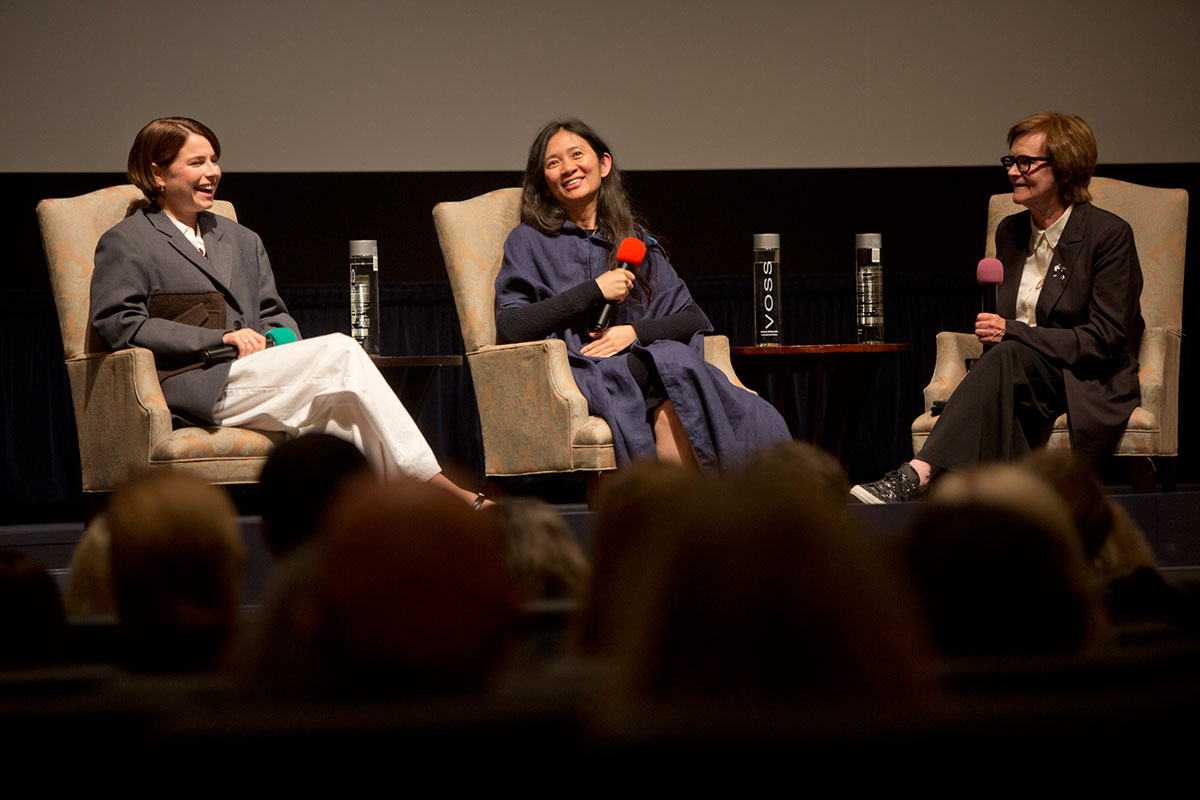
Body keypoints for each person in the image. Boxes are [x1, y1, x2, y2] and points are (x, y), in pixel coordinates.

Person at [90, 117, 486, 506]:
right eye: (197, 163)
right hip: (194, 381)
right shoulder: (129, 241)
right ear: (157, 173)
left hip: (257, 371)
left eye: (214, 160)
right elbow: (119, 323)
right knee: (342, 351)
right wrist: (220, 337)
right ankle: (436, 489)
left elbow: (275, 314)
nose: (212, 172)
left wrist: (276, 338)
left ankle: (368, 530)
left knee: (341, 411)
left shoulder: (242, 240)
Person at [852, 112, 1143, 503]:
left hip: (1083, 376)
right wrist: (1007, 337)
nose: (1013, 172)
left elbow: (1106, 339)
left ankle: (919, 473)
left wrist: (1014, 332)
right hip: (1020, 375)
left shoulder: (1108, 235)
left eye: (1026, 162)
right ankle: (1018, 515)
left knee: (1008, 356)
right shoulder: (1011, 231)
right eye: (1010, 161)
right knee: (1006, 373)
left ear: (1067, 170)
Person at [495, 119, 790, 472]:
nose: (568, 167)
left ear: (603, 164)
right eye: (553, 162)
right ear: (544, 181)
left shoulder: (633, 240)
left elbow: (693, 318)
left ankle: (682, 515)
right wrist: (595, 290)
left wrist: (633, 333)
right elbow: (511, 326)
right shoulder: (528, 241)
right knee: (673, 364)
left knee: (670, 400)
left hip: (640, 362)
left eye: (577, 155)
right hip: (581, 368)